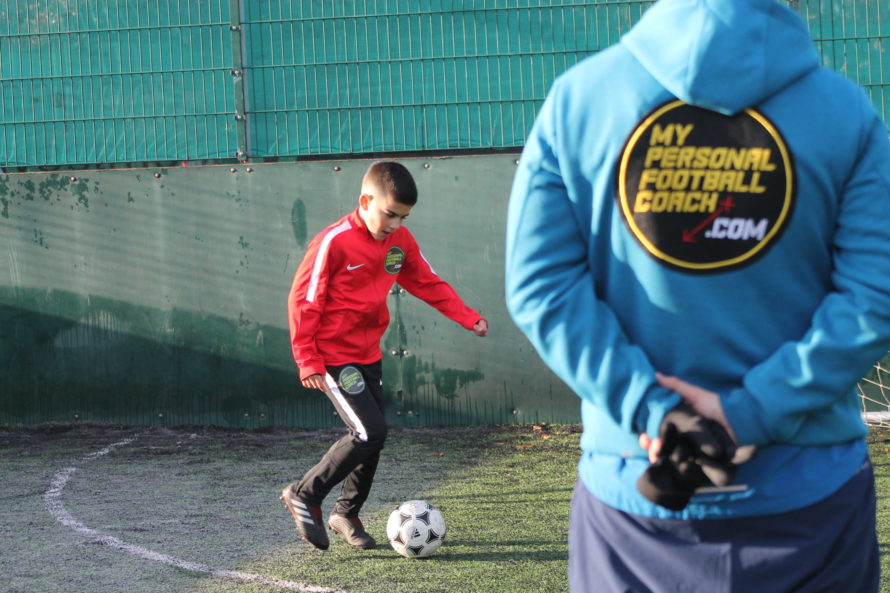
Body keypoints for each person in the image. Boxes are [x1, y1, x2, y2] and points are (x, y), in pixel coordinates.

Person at [505, 0, 890, 591]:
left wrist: (651, 409)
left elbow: (541, 287)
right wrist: (748, 414)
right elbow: (874, 297)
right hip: (810, 503)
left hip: (639, 499)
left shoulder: (579, 100)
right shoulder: (845, 112)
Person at [282, 160, 488, 550]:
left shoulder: (401, 242)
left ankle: (346, 512)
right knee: (368, 431)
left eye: (403, 217)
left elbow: (427, 282)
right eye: (390, 214)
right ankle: (305, 493)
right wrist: (307, 358)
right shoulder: (334, 241)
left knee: (373, 435)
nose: (395, 224)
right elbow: (304, 300)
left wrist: (468, 317)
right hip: (332, 355)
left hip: (367, 353)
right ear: (365, 200)